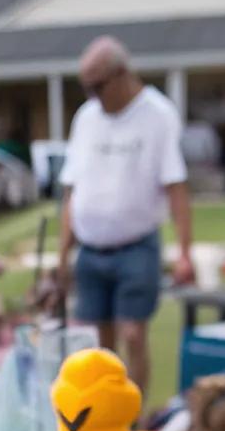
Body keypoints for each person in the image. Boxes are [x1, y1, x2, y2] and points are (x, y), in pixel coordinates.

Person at [58, 36, 195, 396]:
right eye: (86, 88)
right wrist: (62, 257)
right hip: (90, 249)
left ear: (121, 75)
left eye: (97, 86)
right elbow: (72, 191)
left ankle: (133, 424)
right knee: (100, 348)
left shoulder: (158, 114)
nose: (92, 96)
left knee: (133, 335)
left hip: (136, 246)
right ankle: (104, 424)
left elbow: (176, 186)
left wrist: (184, 252)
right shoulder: (86, 118)